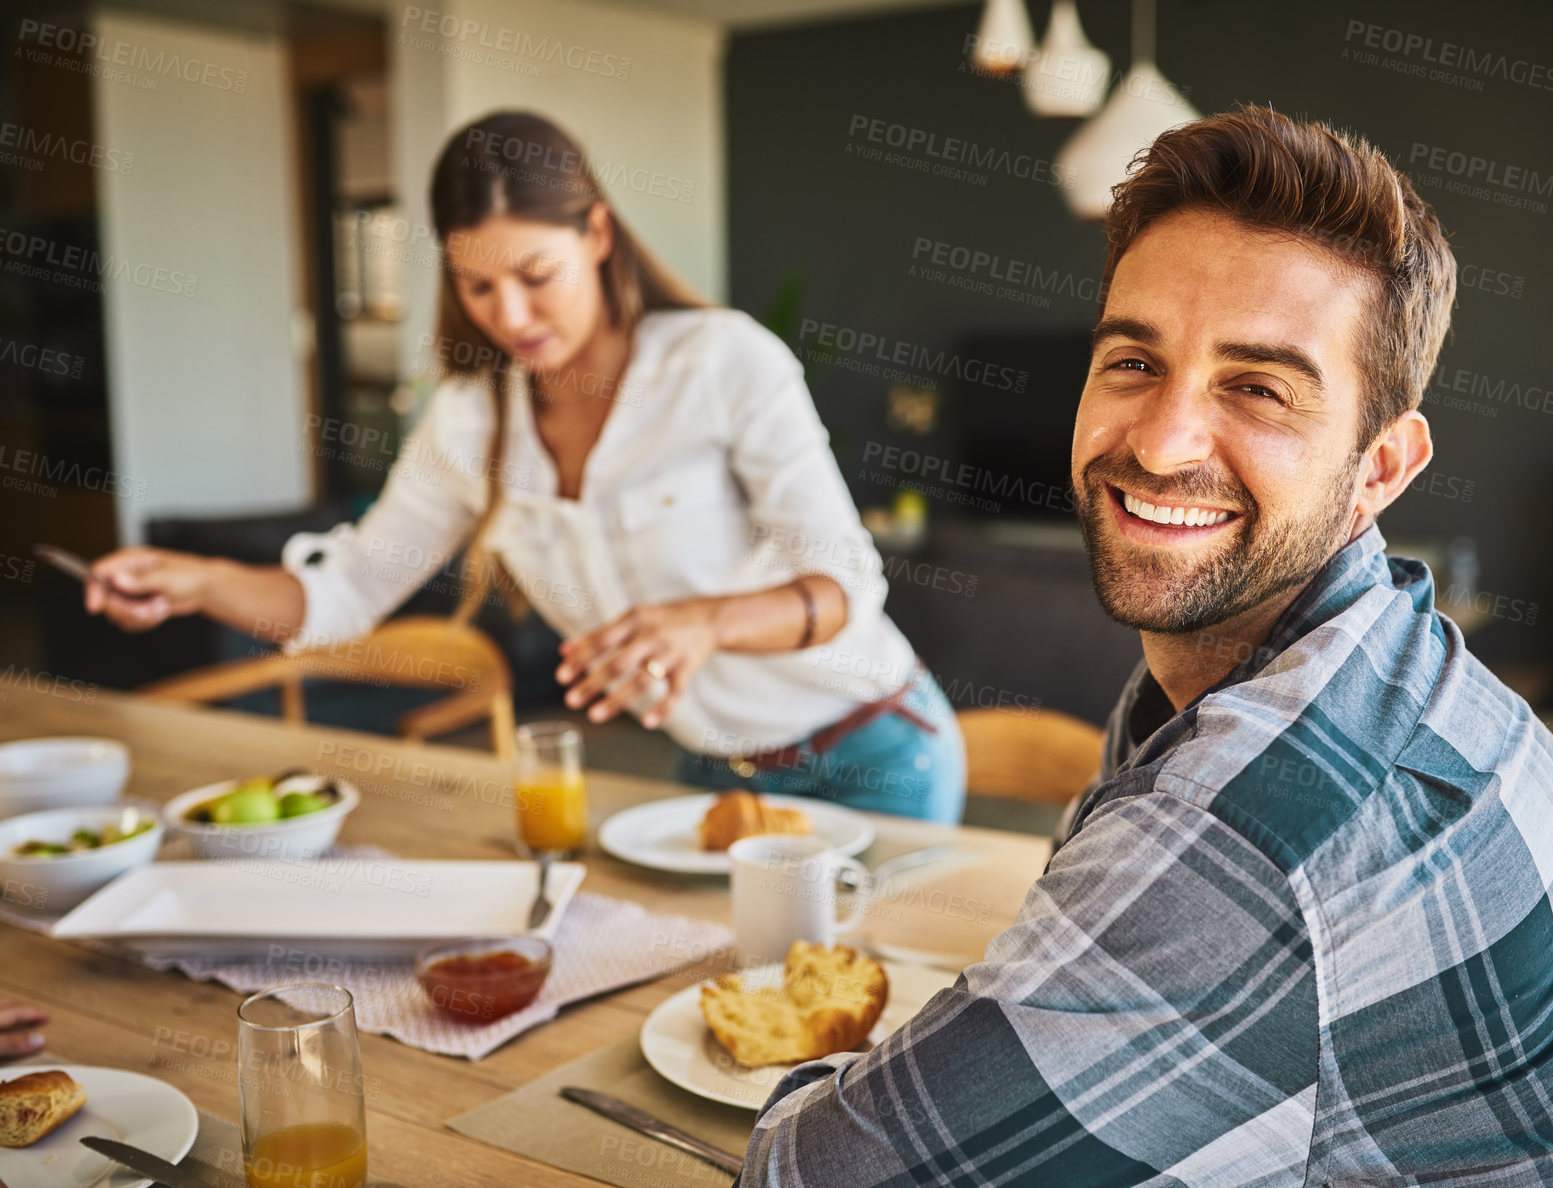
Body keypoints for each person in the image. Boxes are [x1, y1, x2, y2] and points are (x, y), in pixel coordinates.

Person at [735, 106, 1553, 1184]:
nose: (1160, 439)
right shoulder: (1383, 649)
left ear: (1381, 467)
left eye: (1257, 387)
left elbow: (814, 1173)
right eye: (1133, 361)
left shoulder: (1259, 813)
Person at [82, 110, 964, 823]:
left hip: (875, 752)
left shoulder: (722, 361)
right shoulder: (471, 418)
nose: (510, 314)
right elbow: (344, 594)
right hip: (717, 777)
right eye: (477, 286)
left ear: (596, 234)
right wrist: (196, 580)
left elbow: (848, 583)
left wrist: (702, 622)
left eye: (536, 274)